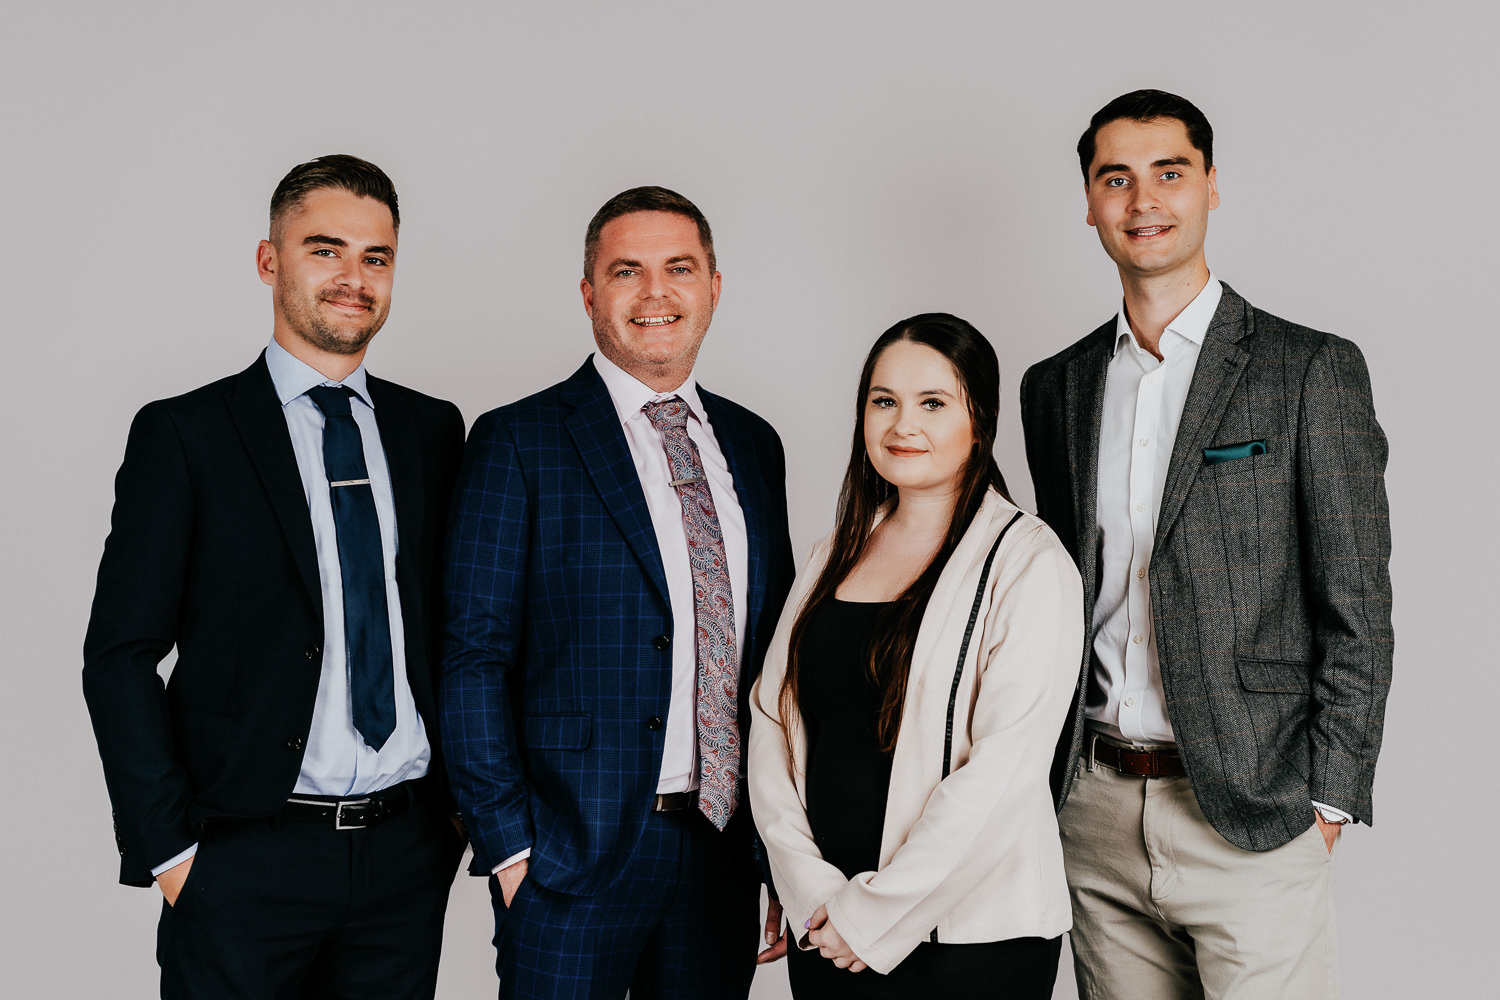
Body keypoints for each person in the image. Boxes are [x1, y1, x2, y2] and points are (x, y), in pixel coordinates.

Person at [1019, 89, 1394, 999]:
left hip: (1254, 811)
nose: (1143, 200)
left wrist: (1328, 799)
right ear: (1089, 202)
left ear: (1212, 187)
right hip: (1094, 811)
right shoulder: (1056, 387)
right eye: (1117, 178)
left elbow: (1357, 604)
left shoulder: (1309, 369)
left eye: (1169, 173)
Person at [82, 155, 467, 998]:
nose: (353, 278)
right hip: (244, 858)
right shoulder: (186, 435)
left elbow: (454, 630)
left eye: (375, 257)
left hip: (405, 856)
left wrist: (450, 820)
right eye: (324, 250)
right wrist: (170, 852)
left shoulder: (432, 431)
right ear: (269, 261)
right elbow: (118, 656)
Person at [440, 186, 796, 999]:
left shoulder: (753, 444)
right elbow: (471, 655)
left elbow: (773, 658)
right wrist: (509, 847)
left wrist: (775, 851)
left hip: (721, 851)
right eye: (627, 271)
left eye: (680, 268)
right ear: (589, 293)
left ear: (714, 286)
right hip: (569, 857)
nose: (655, 292)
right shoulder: (519, 440)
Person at [747, 314, 1083, 998]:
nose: (903, 425)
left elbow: (1006, 772)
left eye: (933, 403)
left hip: (972, 942)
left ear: (979, 421)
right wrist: (811, 889)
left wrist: (872, 916)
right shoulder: (832, 553)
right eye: (884, 401)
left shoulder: (1029, 561)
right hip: (826, 925)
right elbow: (770, 721)